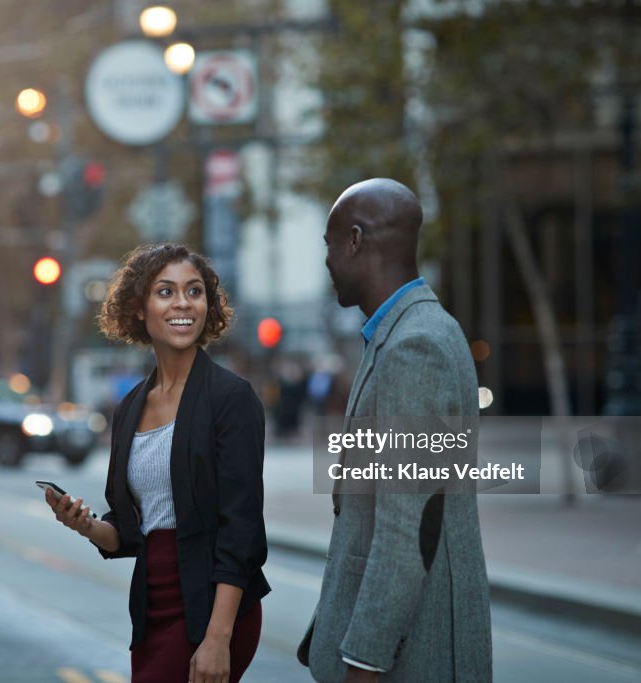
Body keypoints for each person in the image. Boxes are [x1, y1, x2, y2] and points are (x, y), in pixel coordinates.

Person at [46, 243, 270, 683]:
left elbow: (241, 531)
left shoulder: (231, 399)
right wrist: (84, 524)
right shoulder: (130, 407)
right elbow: (131, 534)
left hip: (212, 610)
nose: (183, 302)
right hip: (154, 608)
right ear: (139, 308)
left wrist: (217, 638)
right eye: (165, 292)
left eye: (195, 291)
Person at [298, 179, 492, 681]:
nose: (327, 261)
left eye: (329, 244)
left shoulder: (415, 347)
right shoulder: (405, 332)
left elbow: (410, 524)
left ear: (356, 240)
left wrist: (364, 661)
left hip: (409, 658)